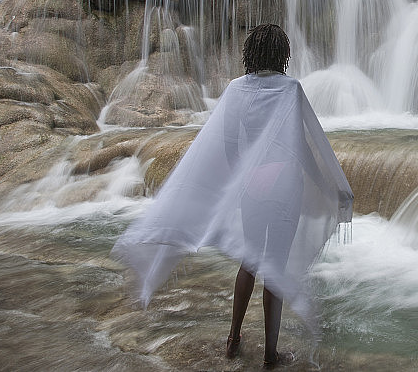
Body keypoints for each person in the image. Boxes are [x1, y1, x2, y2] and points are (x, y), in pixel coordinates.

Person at [112, 23, 354, 369]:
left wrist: (243, 176)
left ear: (250, 53)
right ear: (283, 55)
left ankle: (233, 339)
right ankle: (270, 355)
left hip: (251, 185)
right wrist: (330, 186)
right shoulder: (290, 89)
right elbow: (303, 147)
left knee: (249, 261)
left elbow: (226, 141)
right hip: (285, 186)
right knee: (275, 268)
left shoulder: (236, 89)